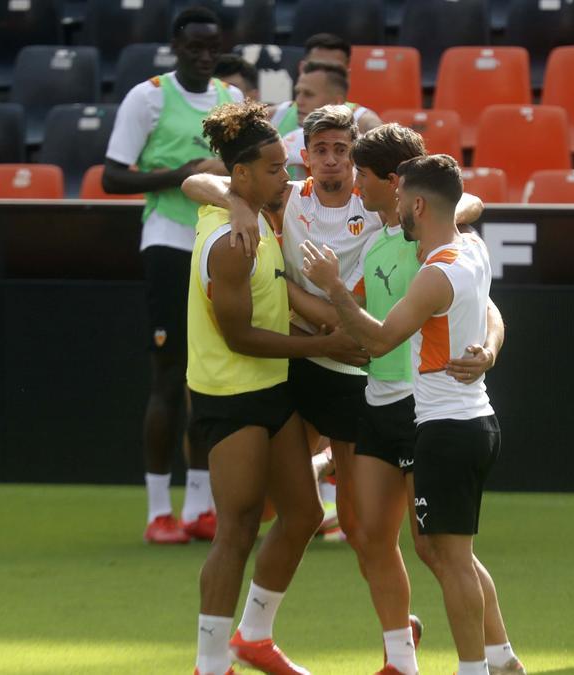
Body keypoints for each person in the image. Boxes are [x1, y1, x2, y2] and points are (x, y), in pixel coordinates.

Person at [183, 117, 496, 675]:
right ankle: (250, 638)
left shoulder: (399, 221)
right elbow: (197, 182)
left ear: (368, 170)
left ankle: (416, 653)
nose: (329, 161)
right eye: (319, 150)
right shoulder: (286, 201)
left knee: (378, 533)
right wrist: (239, 204)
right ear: (306, 156)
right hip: (306, 367)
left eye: (341, 151)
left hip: (370, 378)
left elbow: (461, 212)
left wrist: (487, 343)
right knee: (289, 514)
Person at [302, 154, 517, 675]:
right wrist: (489, 350)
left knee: (451, 561)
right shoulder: (472, 251)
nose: (395, 206)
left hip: (446, 430)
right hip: (471, 421)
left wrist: (332, 285)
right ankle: (501, 662)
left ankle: (478, 668)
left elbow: (378, 339)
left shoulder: (435, 274)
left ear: (417, 204)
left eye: (402, 199)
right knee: (449, 556)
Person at [187, 101, 367, 675]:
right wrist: (323, 345)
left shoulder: (258, 213)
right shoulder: (229, 243)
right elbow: (240, 337)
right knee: (236, 531)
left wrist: (238, 198)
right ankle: (210, 665)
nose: (286, 177)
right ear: (243, 175)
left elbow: (200, 178)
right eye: (273, 169)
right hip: (230, 397)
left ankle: (255, 637)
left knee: (304, 513)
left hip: (272, 391)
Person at [102, 5, 243, 544]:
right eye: (194, 47)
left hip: (219, 245)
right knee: (168, 376)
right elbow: (113, 176)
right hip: (167, 244)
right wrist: (181, 175)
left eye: (212, 47)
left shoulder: (232, 102)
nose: (204, 56)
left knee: (211, 379)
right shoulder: (149, 96)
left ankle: (200, 508)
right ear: (175, 46)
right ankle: (159, 511)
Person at [279, 61, 382, 179]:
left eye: (308, 94)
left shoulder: (362, 119)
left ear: (336, 102)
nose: (299, 102)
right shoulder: (281, 112)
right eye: (298, 93)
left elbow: (380, 133)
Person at [270, 32, 353, 136]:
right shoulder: (271, 116)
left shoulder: (362, 121)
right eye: (316, 66)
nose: (324, 73)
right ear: (302, 68)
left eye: (334, 70)